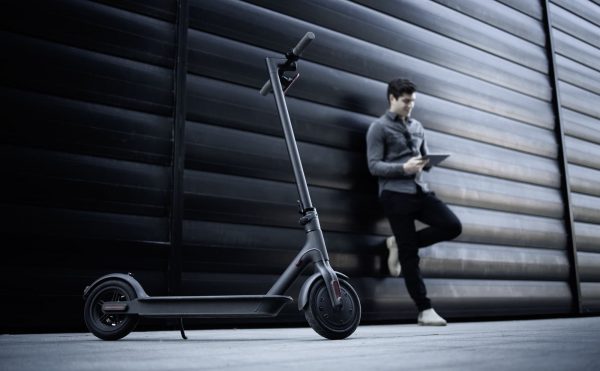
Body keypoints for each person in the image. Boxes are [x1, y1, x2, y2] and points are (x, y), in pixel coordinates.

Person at [366, 78, 462, 326]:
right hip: (395, 195)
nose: (410, 106)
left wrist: (427, 163)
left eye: (413, 101)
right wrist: (403, 168)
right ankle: (424, 310)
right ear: (392, 99)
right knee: (410, 255)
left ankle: (398, 243)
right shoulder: (378, 128)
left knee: (452, 226)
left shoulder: (418, 126)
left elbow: (423, 156)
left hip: (419, 190)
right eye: (406, 101)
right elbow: (373, 166)